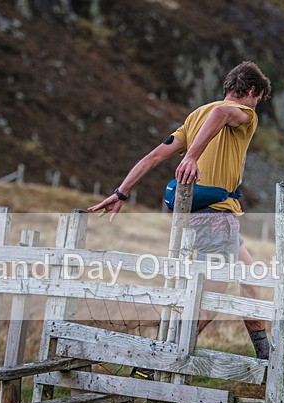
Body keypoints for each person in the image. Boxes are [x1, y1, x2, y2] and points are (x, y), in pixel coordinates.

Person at [88, 61, 273, 375]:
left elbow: (153, 156)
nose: (256, 106)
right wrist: (191, 157)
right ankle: (154, 362)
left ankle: (268, 360)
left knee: (251, 282)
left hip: (202, 217)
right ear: (252, 91)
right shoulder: (242, 114)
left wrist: (121, 192)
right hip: (216, 217)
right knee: (210, 301)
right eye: (258, 99)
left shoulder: (196, 115)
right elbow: (223, 113)